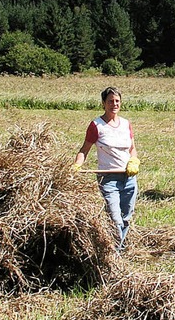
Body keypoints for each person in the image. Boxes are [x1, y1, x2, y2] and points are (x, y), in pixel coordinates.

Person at [72, 87, 140, 251]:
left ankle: (119, 249)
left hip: (129, 178)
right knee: (115, 219)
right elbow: (84, 150)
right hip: (108, 179)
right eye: (110, 101)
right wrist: (76, 165)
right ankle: (113, 254)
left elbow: (132, 149)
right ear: (103, 103)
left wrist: (134, 161)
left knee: (126, 218)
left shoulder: (125, 124)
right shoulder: (97, 125)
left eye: (117, 101)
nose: (114, 104)